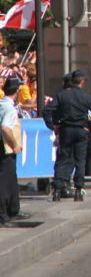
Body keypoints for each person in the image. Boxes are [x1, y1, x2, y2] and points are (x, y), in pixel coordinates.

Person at [44, 70, 91, 202]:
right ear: (82, 82)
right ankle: (78, 190)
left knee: (63, 158)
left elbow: (47, 110)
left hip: (66, 129)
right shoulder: (85, 97)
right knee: (80, 160)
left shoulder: (62, 95)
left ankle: (57, 189)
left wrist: (52, 125)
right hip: (81, 129)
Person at [0, 77, 26, 225]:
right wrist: (14, 144)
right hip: (6, 147)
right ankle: (4, 213)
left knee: (9, 179)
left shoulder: (1, 104)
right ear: (17, 91)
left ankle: (12, 209)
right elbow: (5, 127)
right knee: (5, 181)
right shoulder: (9, 108)